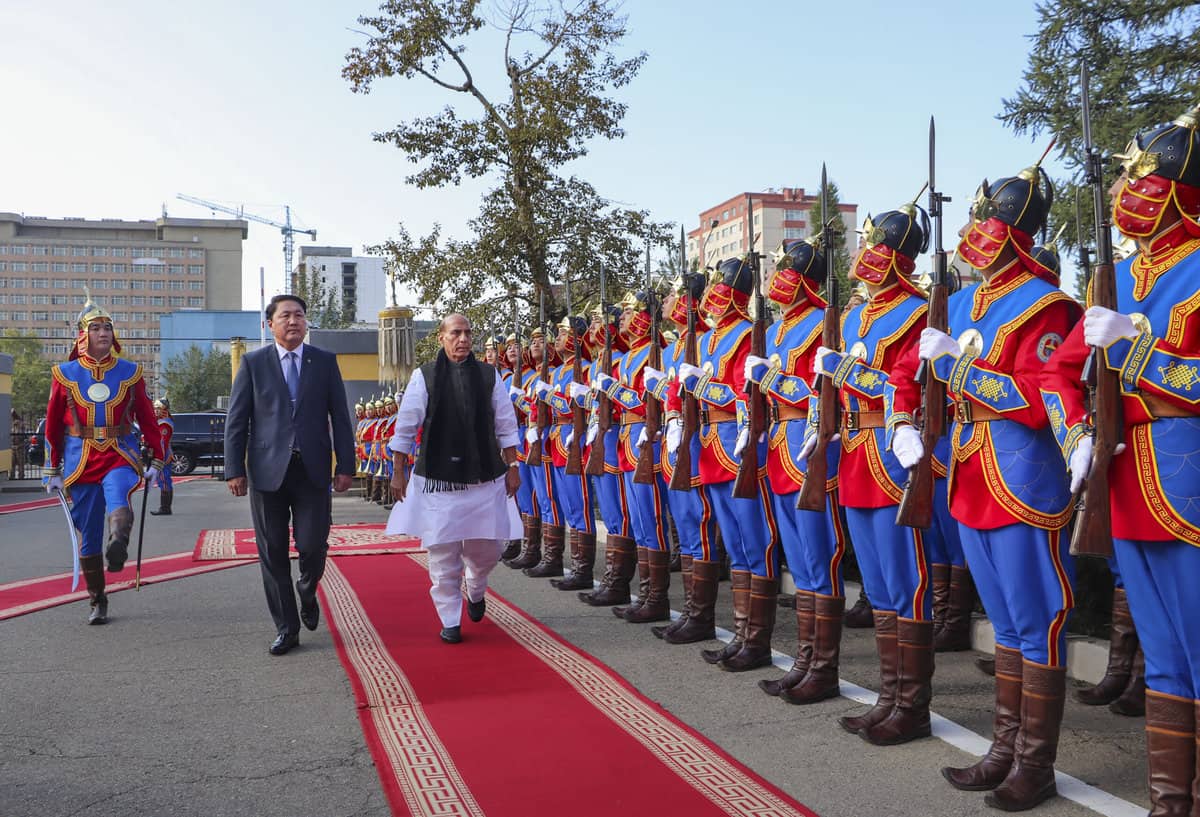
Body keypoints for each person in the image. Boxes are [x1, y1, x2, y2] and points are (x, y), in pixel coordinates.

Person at [894, 162, 1080, 811]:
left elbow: (1038, 398)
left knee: (1036, 620)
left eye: (990, 220)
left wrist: (959, 371)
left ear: (1017, 231)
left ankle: (1035, 762)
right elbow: (924, 379)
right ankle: (1003, 747)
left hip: (1023, 472)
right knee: (1004, 623)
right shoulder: (968, 300)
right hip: (972, 469)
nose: (978, 231)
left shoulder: (1046, 302)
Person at [1041, 104, 1200, 817]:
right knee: (1164, 655)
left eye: (1144, 179)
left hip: (1188, 473)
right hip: (1124, 476)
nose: (1129, 192)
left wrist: (1132, 352)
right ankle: (1170, 799)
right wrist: (1074, 434)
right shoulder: (1120, 276)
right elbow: (1055, 376)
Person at [808, 200, 948, 746]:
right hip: (856, 453)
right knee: (880, 585)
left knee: (907, 582)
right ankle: (889, 696)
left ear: (900, 256)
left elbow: (902, 382)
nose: (866, 255)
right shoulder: (853, 316)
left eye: (878, 246)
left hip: (893, 452)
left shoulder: (918, 311)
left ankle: (912, 706)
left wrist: (841, 370)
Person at [746, 236, 849, 704]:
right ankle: (806, 659)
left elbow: (818, 394)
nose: (775, 280)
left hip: (809, 447)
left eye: (785, 271)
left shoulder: (818, 324)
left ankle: (823, 669)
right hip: (780, 448)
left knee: (818, 557)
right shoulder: (785, 328)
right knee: (801, 562)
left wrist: (768, 379)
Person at [224, 294, 356, 656]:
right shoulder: (253, 364)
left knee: (314, 544)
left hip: (312, 469)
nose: (293, 321)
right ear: (271, 324)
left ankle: (308, 586)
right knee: (273, 552)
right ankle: (287, 627)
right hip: (267, 473)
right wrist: (234, 469)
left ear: (306, 322)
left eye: (299, 315)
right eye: (285, 316)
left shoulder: (324, 362)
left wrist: (346, 465)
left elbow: (341, 418)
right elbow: (237, 421)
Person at [386, 313, 522, 644]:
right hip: (439, 482)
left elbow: (505, 422)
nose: (463, 339)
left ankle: (476, 588)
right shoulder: (425, 376)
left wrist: (513, 465)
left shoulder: (489, 376)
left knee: (486, 552)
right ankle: (450, 618)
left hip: (484, 478)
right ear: (442, 338)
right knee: (443, 554)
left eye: (467, 333)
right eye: (455, 333)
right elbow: (406, 424)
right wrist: (398, 469)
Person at [678, 259, 780, 672]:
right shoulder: (709, 339)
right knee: (735, 547)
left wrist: (699, 385)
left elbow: (740, 394)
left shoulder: (742, 333)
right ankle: (741, 634)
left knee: (755, 543)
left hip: (738, 446)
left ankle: (757, 641)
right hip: (711, 446)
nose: (711, 294)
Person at [44, 295, 164, 625]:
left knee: (119, 493)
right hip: (79, 458)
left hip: (119, 452)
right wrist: (52, 466)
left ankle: (119, 541)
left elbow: (148, 420)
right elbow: (52, 423)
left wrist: (158, 460)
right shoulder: (64, 373)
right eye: (95, 327)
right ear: (82, 335)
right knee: (89, 532)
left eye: (108, 327)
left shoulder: (130, 371)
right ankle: (97, 599)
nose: (103, 332)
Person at [149, 396, 175, 516]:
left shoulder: (165, 424)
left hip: (164, 455)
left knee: (164, 480)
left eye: (157, 409)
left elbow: (162, 443)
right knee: (163, 480)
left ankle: (165, 508)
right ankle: (165, 507)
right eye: (154, 409)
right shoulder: (159, 422)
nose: (155, 411)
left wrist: (160, 458)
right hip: (161, 454)